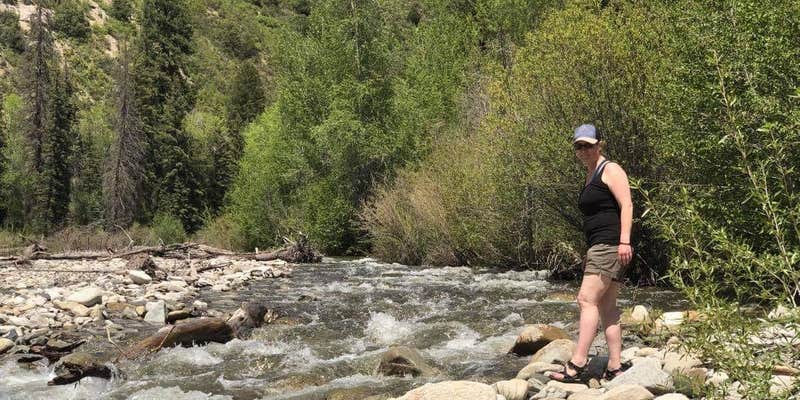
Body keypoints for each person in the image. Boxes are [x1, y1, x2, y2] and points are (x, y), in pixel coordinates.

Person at [548, 123, 634, 383]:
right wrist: (592, 250)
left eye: (588, 145)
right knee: (607, 307)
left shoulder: (610, 169)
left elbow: (627, 204)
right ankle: (615, 366)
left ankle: (578, 362)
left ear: (599, 145)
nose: (583, 150)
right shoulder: (591, 174)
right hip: (601, 246)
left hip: (611, 244)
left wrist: (624, 241)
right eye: (579, 146)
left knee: (586, 300)